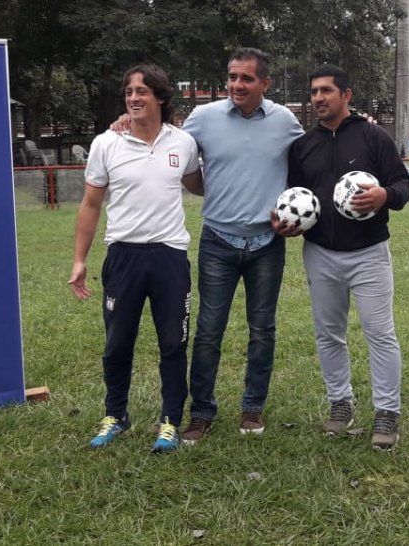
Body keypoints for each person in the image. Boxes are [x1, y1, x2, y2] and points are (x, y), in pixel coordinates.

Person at [115, 47, 304, 442]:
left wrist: (292, 210)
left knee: (262, 329)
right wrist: (127, 121)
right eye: (232, 77)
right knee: (208, 331)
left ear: (265, 83)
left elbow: (306, 162)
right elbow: (170, 145)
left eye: (246, 78)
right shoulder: (204, 118)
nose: (237, 84)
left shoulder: (285, 121)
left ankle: (252, 408)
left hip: (267, 243)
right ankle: (201, 412)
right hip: (218, 241)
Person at [274, 65, 409, 450]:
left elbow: (403, 185)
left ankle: (387, 412)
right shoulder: (303, 146)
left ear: (346, 95)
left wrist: (385, 195)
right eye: (314, 92)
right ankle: (340, 404)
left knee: (379, 333)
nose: (318, 98)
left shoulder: (373, 137)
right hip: (320, 254)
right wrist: (288, 222)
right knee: (328, 333)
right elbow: (294, 197)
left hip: (369, 254)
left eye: (326, 91)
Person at [69, 64, 203, 452]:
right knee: (117, 343)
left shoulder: (184, 143)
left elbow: (199, 184)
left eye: (141, 91)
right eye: (129, 92)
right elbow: (91, 204)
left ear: (160, 96)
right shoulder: (106, 143)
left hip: (169, 257)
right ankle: (115, 415)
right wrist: (79, 260)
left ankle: (170, 420)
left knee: (173, 343)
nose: (133, 98)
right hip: (123, 256)